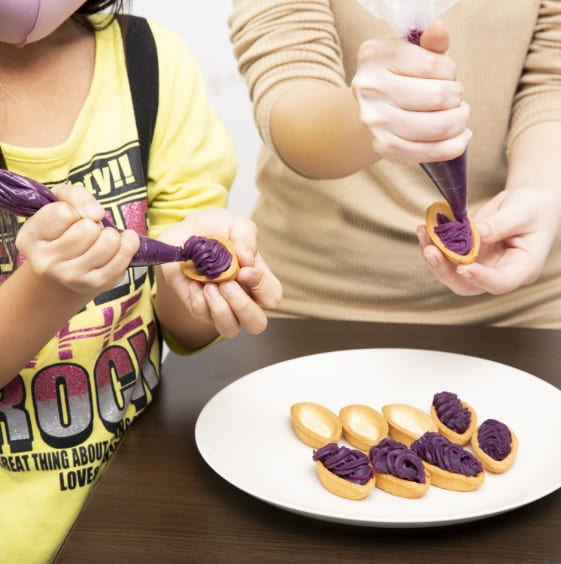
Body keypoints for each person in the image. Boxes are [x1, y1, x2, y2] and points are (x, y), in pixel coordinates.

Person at [0, 1, 281, 561]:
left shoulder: (148, 61)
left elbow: (173, 319)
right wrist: (45, 292)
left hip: (142, 511)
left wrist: (193, 286)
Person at [228, 0, 561, 327]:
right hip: (311, 304)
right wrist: (366, 118)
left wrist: (539, 189)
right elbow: (287, 82)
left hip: (530, 306)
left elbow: (552, 81)